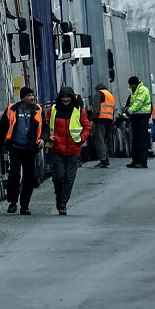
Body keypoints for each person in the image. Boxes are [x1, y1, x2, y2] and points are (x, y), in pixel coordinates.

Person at [0, 87, 44, 215]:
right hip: (15, 147)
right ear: (22, 97)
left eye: (32, 95)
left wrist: (43, 139)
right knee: (14, 174)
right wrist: (0, 146)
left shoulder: (38, 110)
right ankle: (12, 202)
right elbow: (3, 128)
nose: (32, 98)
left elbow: (45, 127)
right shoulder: (12, 109)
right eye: (29, 95)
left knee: (28, 177)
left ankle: (25, 205)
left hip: (30, 149)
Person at [46, 86, 92, 215]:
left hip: (74, 150)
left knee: (69, 178)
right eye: (63, 97)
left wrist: (80, 140)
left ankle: (63, 202)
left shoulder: (79, 111)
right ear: (60, 98)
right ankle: (59, 197)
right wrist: (47, 136)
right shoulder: (53, 110)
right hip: (57, 149)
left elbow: (87, 127)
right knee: (58, 177)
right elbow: (45, 125)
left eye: (68, 97)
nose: (65, 99)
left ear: (72, 98)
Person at [122, 76, 152, 169]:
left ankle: (142, 162)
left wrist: (129, 112)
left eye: (131, 85)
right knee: (135, 140)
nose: (130, 86)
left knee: (141, 140)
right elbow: (131, 104)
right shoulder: (134, 92)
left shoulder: (142, 90)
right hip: (136, 118)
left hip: (142, 118)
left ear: (134, 84)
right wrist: (125, 114)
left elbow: (138, 104)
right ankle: (135, 161)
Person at [90, 83, 116, 168]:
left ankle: (103, 159)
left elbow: (96, 107)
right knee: (105, 140)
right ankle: (106, 158)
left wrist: (93, 118)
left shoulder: (99, 94)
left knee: (99, 140)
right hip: (109, 119)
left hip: (101, 119)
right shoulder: (110, 95)